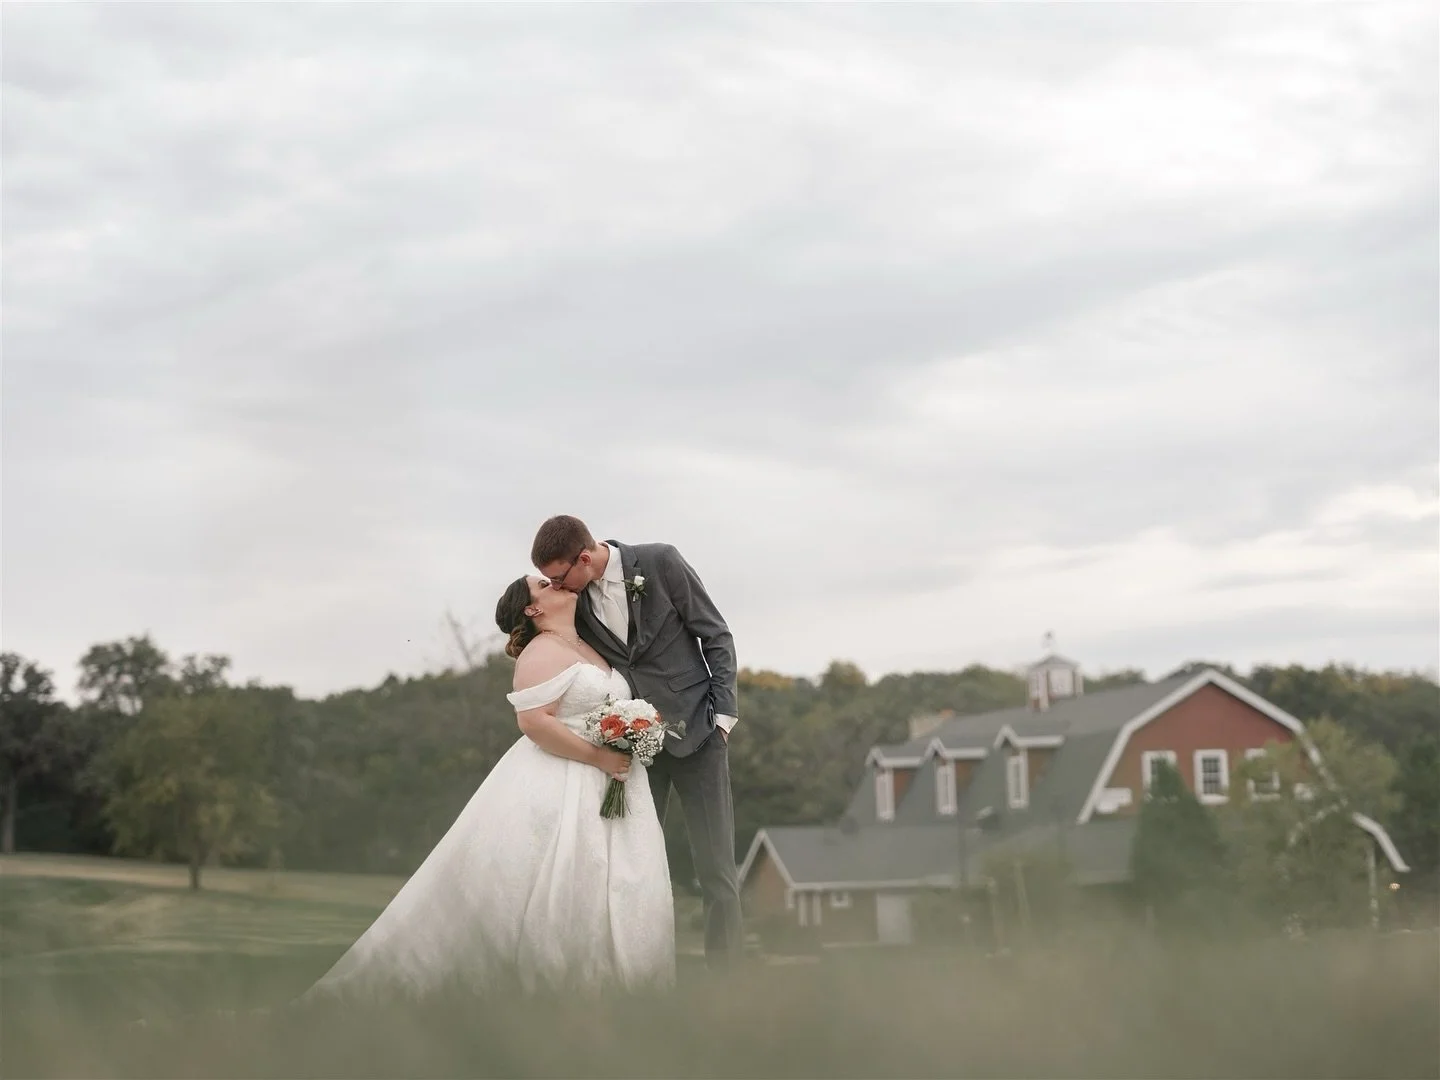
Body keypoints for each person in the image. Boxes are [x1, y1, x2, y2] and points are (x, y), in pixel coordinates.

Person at [300, 575, 674, 1001]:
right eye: (544, 584)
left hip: (614, 781)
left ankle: (623, 994)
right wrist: (600, 757)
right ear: (532, 609)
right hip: (565, 777)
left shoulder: (590, 645)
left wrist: (630, 732)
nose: (557, 583)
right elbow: (534, 722)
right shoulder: (539, 651)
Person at [531, 515, 743, 967]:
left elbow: (716, 635)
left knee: (716, 870)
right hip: (635, 751)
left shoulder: (661, 562)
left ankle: (728, 983)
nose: (557, 587)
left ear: (584, 558)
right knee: (637, 867)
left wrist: (723, 718)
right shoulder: (577, 604)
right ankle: (643, 971)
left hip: (700, 736)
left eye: (559, 577)